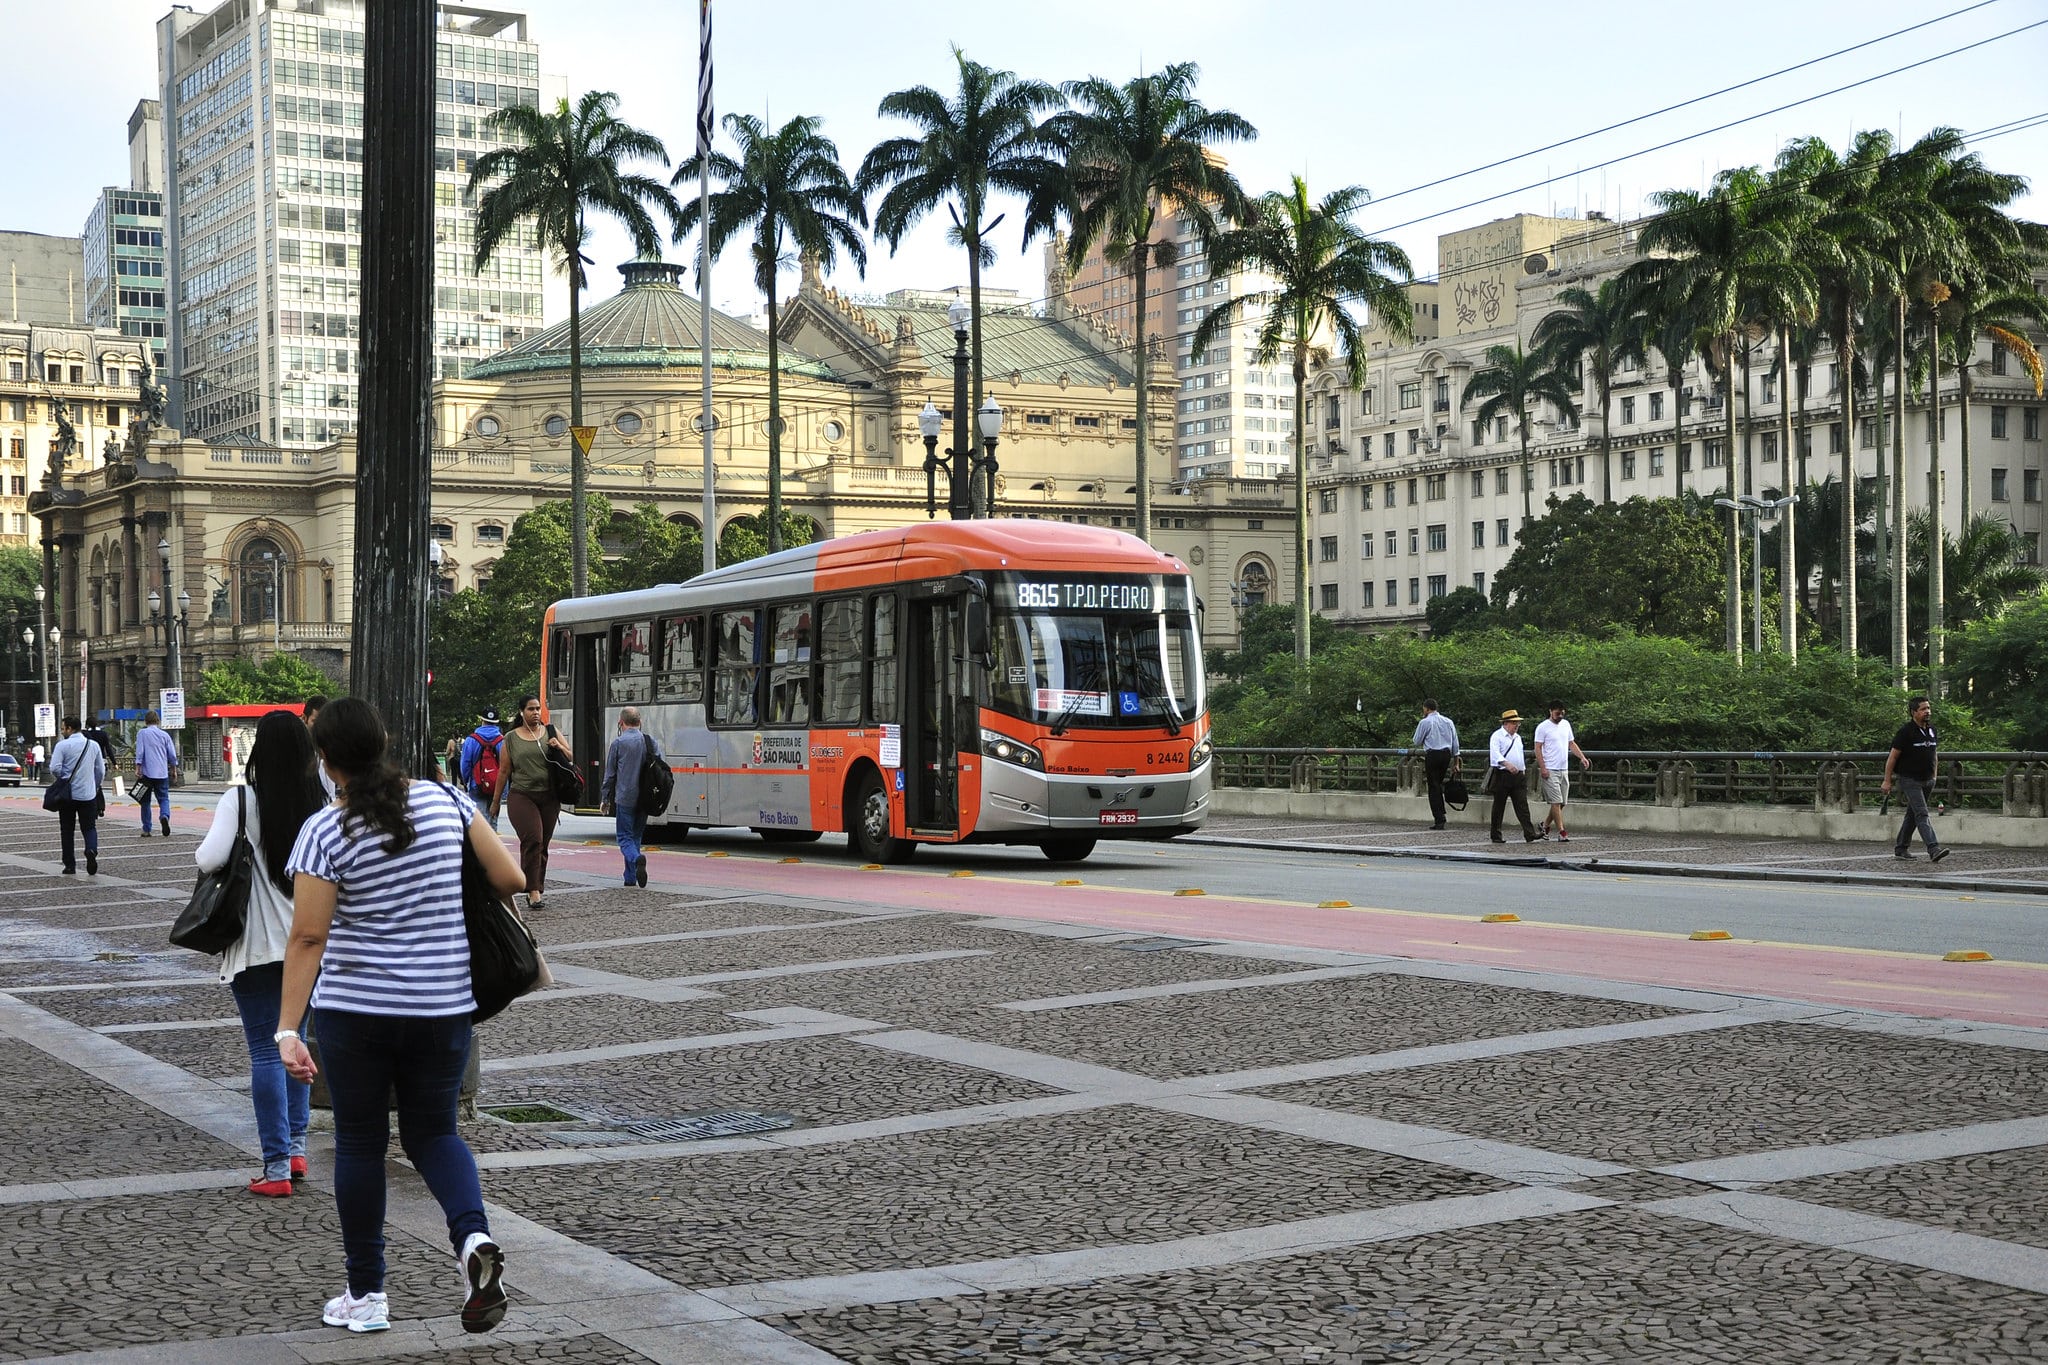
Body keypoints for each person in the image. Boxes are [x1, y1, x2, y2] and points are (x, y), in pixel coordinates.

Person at [276, 697, 525, 1335]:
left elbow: (308, 938)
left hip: (356, 1012)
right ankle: (473, 1242)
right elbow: (511, 877)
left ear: (326, 762)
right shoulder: (448, 803)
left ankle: (367, 1295)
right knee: (436, 1134)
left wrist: (287, 1029)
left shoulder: (325, 830)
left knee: (359, 1142)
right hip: (442, 1006)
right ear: (385, 741)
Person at [197, 710, 326, 1197]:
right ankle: (296, 1150)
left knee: (267, 1052)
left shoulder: (241, 798)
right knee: (298, 1041)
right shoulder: (320, 799)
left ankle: (274, 1169)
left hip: (255, 943)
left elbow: (208, 858)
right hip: (310, 942)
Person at [490, 696, 571, 911]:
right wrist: (496, 802)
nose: (535, 713)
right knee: (532, 839)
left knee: (543, 844)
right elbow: (504, 771)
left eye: (538, 709)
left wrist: (559, 747)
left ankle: (536, 886)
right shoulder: (510, 738)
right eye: (531, 709)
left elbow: (571, 756)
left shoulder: (550, 732)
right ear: (521, 712)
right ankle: (532, 890)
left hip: (549, 796)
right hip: (522, 795)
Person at [600, 707, 661, 888]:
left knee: (624, 838)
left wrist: (605, 798)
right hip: (645, 798)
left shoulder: (618, 743)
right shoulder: (650, 742)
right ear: (639, 722)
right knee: (635, 836)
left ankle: (636, 859)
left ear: (621, 723)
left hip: (625, 797)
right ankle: (629, 878)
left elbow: (610, 774)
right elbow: (659, 768)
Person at [1883, 695, 1949, 863]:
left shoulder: (1932, 730)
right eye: (1923, 709)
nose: (1927, 712)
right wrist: (1887, 780)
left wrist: (1934, 775)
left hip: (1927, 779)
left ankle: (1901, 848)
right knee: (1922, 813)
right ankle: (1933, 848)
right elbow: (1892, 757)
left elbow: (1934, 753)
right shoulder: (1906, 732)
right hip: (1910, 779)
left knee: (1912, 814)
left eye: (1928, 708)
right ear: (1914, 712)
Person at [48, 717, 106, 875]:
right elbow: (100, 770)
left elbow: (54, 768)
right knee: (89, 827)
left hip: (67, 795)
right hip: (88, 794)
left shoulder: (62, 746)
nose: (61, 731)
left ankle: (69, 865)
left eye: (62, 728)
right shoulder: (93, 745)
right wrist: (94, 785)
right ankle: (91, 850)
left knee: (67, 830)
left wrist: (65, 777)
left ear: (69, 729)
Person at [1531, 699, 1590, 842]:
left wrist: (1582, 757)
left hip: (1564, 768)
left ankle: (1544, 825)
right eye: (1557, 713)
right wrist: (1543, 767)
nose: (1560, 716)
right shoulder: (1543, 727)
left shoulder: (1566, 725)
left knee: (1562, 802)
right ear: (1551, 711)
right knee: (1556, 801)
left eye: (1562, 713)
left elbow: (1571, 743)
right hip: (1550, 768)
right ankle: (1562, 832)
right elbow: (1537, 748)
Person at [1486, 709, 1541, 845]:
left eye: (1518, 723)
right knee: (1499, 806)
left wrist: (1521, 769)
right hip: (1503, 774)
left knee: (1522, 805)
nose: (1516, 726)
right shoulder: (1497, 736)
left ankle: (1530, 833)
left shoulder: (1518, 738)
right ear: (1506, 723)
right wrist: (1506, 763)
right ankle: (1496, 835)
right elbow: (1495, 755)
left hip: (1517, 776)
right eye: (1514, 723)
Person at [1411, 699, 1460, 831]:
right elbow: (1455, 743)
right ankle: (1440, 814)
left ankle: (1439, 818)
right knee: (1437, 783)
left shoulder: (1425, 722)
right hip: (1446, 755)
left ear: (1426, 709)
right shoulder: (1448, 721)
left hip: (1432, 754)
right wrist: (1456, 762)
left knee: (1433, 786)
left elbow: (1416, 740)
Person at [134, 709, 180, 836]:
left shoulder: (142, 733)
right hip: (162, 773)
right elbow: (172, 755)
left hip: (146, 773)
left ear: (146, 721)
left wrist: (138, 767)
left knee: (145, 802)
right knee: (164, 798)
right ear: (158, 721)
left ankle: (147, 829)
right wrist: (174, 769)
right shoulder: (164, 735)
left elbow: (140, 752)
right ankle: (164, 816)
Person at [459, 708, 505, 831]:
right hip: (497, 787)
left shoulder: (471, 740)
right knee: (493, 821)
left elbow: (465, 765)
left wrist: (466, 782)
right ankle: (492, 847)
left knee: (478, 821)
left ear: (482, 720)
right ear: (496, 722)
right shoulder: (503, 741)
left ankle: (479, 848)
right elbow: (507, 767)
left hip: (477, 785)